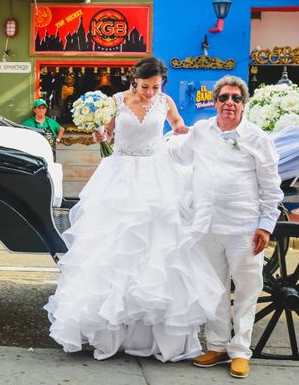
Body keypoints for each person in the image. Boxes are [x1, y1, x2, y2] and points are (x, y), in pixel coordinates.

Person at [45, 56, 224, 362]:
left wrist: (183, 130)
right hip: (119, 174)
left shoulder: (165, 101)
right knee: (114, 248)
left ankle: (154, 335)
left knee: (159, 246)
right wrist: (99, 135)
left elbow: (177, 123)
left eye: (155, 87)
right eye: (145, 87)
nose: (150, 93)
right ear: (134, 80)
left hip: (157, 174)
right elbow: (107, 135)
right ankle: (110, 330)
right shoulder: (115, 101)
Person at [168, 75, 282, 379]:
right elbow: (177, 154)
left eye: (235, 98)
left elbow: (272, 187)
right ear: (214, 101)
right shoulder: (202, 130)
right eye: (223, 98)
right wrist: (148, 132)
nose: (229, 103)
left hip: (244, 226)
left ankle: (241, 351)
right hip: (205, 224)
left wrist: (266, 225)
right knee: (213, 288)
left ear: (243, 104)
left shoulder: (257, 137)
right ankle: (217, 346)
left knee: (246, 289)